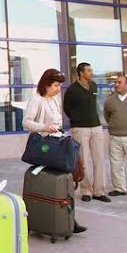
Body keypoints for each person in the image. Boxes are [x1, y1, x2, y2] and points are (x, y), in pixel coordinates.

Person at [23, 69, 87, 233]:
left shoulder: (53, 99)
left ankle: (68, 219)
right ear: (46, 84)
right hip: (46, 148)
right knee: (61, 181)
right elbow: (26, 122)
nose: (59, 89)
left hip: (57, 144)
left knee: (67, 180)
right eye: (56, 85)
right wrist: (44, 127)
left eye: (60, 86)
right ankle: (65, 220)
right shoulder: (37, 99)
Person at [63, 63, 111, 203]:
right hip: (80, 128)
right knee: (83, 161)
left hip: (96, 126)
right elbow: (67, 108)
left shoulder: (94, 86)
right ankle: (86, 191)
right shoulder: (72, 89)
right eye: (89, 70)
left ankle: (99, 191)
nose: (91, 72)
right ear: (81, 73)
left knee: (99, 159)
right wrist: (77, 119)